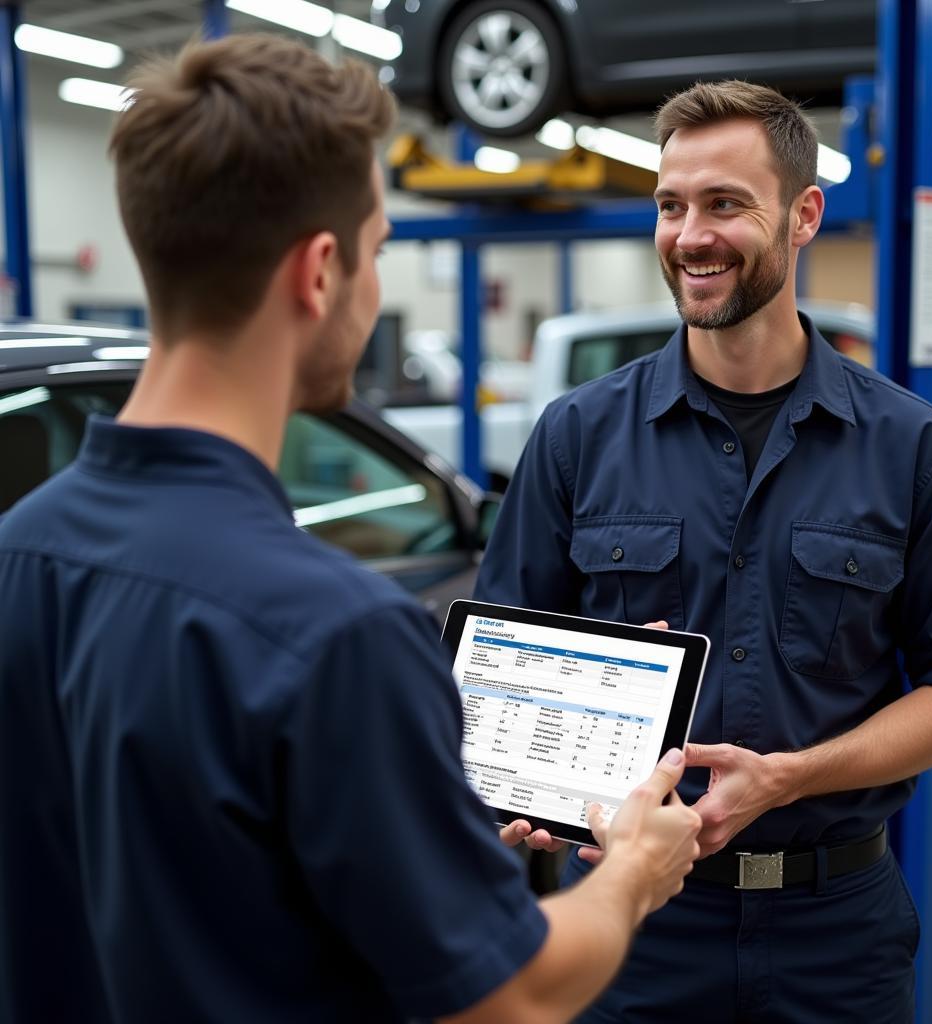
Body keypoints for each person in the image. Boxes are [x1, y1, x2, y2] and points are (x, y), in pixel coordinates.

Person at [0, 35, 704, 1024]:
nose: (374, 290)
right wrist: (634, 867)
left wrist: (421, 831)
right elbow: (516, 999)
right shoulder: (337, 633)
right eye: (377, 253)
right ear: (320, 271)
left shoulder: (22, 547)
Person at [477, 80, 932, 1023]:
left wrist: (793, 777)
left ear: (803, 216)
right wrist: (520, 788)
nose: (690, 235)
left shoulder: (909, 447)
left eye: (725, 204)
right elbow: (506, 671)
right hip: (635, 927)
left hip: (836, 933)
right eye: (671, 206)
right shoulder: (576, 437)